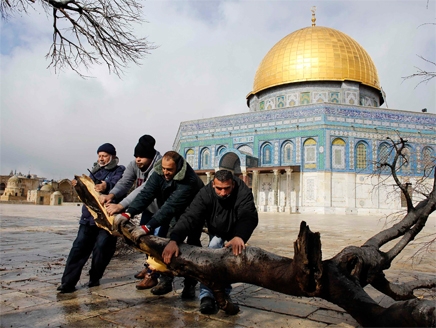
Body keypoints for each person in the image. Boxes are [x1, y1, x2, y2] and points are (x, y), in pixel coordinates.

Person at [161, 169, 258, 314]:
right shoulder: (205, 193)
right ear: (213, 184)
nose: (223, 193)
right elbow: (190, 216)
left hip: (235, 233)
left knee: (229, 262)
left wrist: (240, 236)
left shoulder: (242, 192)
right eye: (219, 189)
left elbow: (248, 215)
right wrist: (175, 239)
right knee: (211, 254)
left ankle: (224, 294)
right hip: (217, 230)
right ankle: (206, 296)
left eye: (227, 189)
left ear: (233, 185)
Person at [115, 150, 204, 298]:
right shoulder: (158, 172)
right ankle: (165, 280)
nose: (165, 172)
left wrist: (148, 227)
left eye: (169, 169)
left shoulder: (189, 180)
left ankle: (190, 283)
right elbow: (146, 193)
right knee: (167, 244)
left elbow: (171, 205)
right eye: (163, 168)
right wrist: (129, 213)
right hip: (173, 212)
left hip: (194, 213)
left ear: (178, 167)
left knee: (193, 247)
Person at [57, 143, 126, 293]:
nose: (101, 159)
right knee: (78, 248)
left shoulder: (119, 170)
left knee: (102, 248)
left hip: (107, 218)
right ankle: (68, 283)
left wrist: (106, 186)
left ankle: (95, 277)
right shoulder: (94, 171)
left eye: (104, 156)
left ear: (112, 157)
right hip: (88, 217)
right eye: (99, 156)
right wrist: (78, 185)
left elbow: (119, 185)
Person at [98, 135, 163, 290]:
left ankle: (153, 276)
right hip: (148, 209)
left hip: (162, 211)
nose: (138, 160)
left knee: (159, 242)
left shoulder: (160, 166)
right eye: (136, 156)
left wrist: (121, 206)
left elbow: (144, 189)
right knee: (144, 240)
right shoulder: (134, 165)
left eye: (141, 157)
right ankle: (149, 266)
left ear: (150, 156)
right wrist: (111, 195)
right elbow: (125, 182)